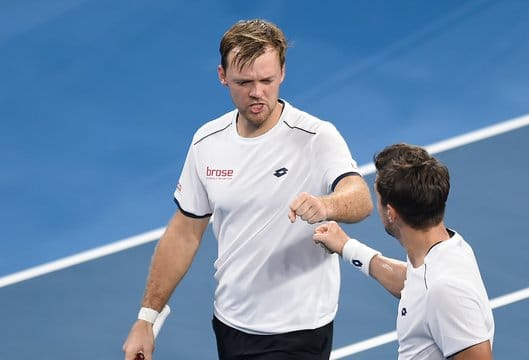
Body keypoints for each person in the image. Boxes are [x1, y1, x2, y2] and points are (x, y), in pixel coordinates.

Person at [122, 18, 373, 360]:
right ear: (222, 76)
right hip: (231, 324)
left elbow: (360, 197)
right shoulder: (206, 142)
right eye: (244, 82)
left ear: (282, 72)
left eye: (267, 80)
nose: (258, 93)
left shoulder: (315, 137)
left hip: (299, 331)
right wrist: (147, 319)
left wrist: (327, 205)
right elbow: (184, 232)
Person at [313, 143, 494, 360]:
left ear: (391, 213)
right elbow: (414, 285)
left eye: (377, 199)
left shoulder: (444, 291)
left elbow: (433, 292)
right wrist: (348, 248)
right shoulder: (449, 248)